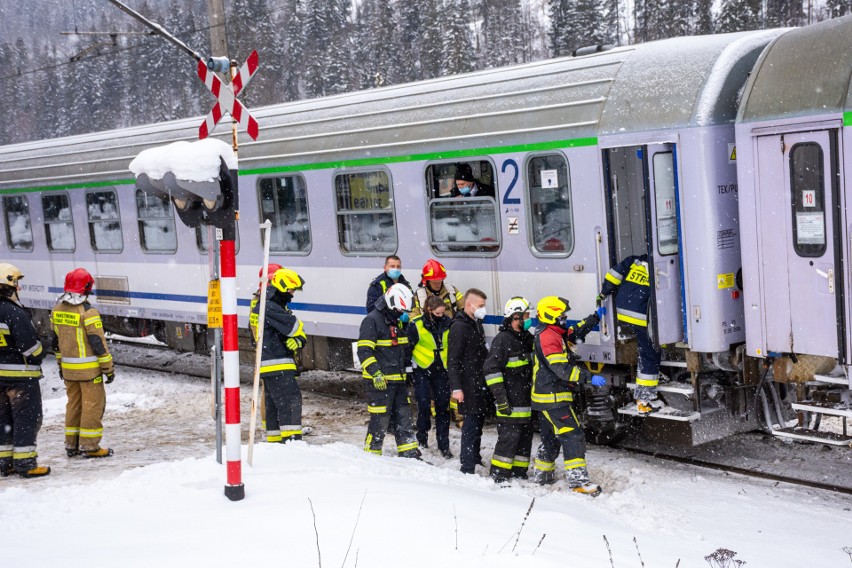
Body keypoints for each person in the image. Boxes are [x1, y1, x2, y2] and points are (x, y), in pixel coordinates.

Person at [531, 296, 605, 496]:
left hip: (546, 398)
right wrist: (588, 377)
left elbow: (575, 332)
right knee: (573, 435)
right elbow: (562, 369)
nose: (564, 318)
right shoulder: (548, 338)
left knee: (551, 439)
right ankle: (578, 481)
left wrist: (594, 318)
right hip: (553, 398)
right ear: (551, 316)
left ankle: (542, 476)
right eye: (561, 315)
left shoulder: (554, 332)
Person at [52, 268, 115, 459]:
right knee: (92, 406)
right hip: (89, 372)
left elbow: (55, 342)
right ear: (87, 288)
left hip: (69, 370)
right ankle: (90, 446)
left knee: (74, 405)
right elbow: (98, 344)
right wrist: (108, 368)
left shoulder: (56, 310)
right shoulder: (88, 312)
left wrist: (60, 365)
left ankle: (71, 445)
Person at [358, 283, 420, 459]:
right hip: (380, 382)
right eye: (399, 311)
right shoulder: (372, 321)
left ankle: (409, 454)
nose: (401, 314)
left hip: (398, 381)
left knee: (404, 418)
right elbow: (364, 350)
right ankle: (372, 455)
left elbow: (402, 349)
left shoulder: (395, 320)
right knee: (379, 421)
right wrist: (375, 372)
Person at [0, 264, 49, 478]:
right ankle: (26, 464)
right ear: (10, 284)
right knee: (26, 420)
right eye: (16, 283)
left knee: (4, 422)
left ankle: (4, 463)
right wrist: (43, 349)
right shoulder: (14, 312)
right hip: (20, 379)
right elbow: (30, 348)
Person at [597, 253, 662, 414]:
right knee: (650, 353)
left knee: (647, 346)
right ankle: (643, 399)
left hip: (622, 310)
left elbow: (613, 276)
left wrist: (604, 292)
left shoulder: (633, 260)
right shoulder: (660, 268)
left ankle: (653, 374)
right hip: (640, 315)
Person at [483, 297, 535, 483]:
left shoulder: (527, 338)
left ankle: (519, 474)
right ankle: (499, 476)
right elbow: (491, 370)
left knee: (524, 440)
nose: (529, 319)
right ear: (516, 317)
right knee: (508, 441)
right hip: (510, 403)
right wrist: (501, 399)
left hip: (526, 403)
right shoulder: (503, 340)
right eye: (526, 316)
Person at [253, 267, 307, 443]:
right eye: (291, 290)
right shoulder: (270, 307)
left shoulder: (264, 305)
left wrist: (298, 340)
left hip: (270, 363)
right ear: (283, 287)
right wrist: (298, 333)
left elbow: (287, 333)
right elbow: (294, 327)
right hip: (278, 363)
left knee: (274, 404)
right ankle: (291, 440)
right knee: (290, 401)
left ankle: (275, 440)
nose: (292, 294)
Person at [448, 288, 493, 474]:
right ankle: (467, 465)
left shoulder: (476, 323)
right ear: (469, 305)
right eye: (480, 305)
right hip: (467, 384)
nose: (483, 309)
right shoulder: (459, 327)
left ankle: (475, 457)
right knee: (470, 426)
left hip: (478, 382)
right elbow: (453, 360)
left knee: (478, 424)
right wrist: (456, 388)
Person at [407, 294, 453, 458]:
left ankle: (444, 445)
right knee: (424, 404)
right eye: (438, 314)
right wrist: (407, 370)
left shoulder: (448, 323)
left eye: (443, 313)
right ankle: (422, 437)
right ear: (429, 310)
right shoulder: (417, 324)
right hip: (422, 367)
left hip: (441, 368)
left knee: (443, 406)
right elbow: (409, 347)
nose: (441, 316)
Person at [250, 263, 282, 436]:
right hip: (267, 350)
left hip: (263, 348)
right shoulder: (266, 301)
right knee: (269, 391)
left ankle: (268, 424)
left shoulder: (258, 298)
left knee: (268, 390)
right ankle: (268, 425)